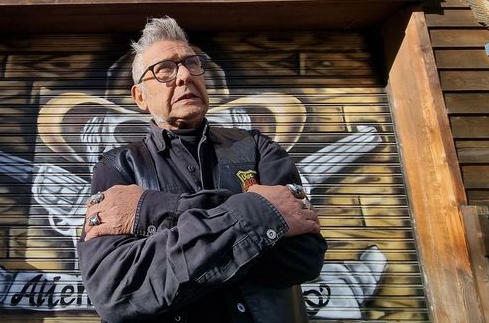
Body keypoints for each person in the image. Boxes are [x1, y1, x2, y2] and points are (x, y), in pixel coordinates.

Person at [76, 17, 326, 323]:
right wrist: (260, 216)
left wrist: (154, 213)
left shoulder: (258, 148)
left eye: (191, 63)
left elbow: (303, 258)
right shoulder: (118, 167)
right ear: (140, 96)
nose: (183, 76)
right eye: (164, 69)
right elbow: (116, 291)